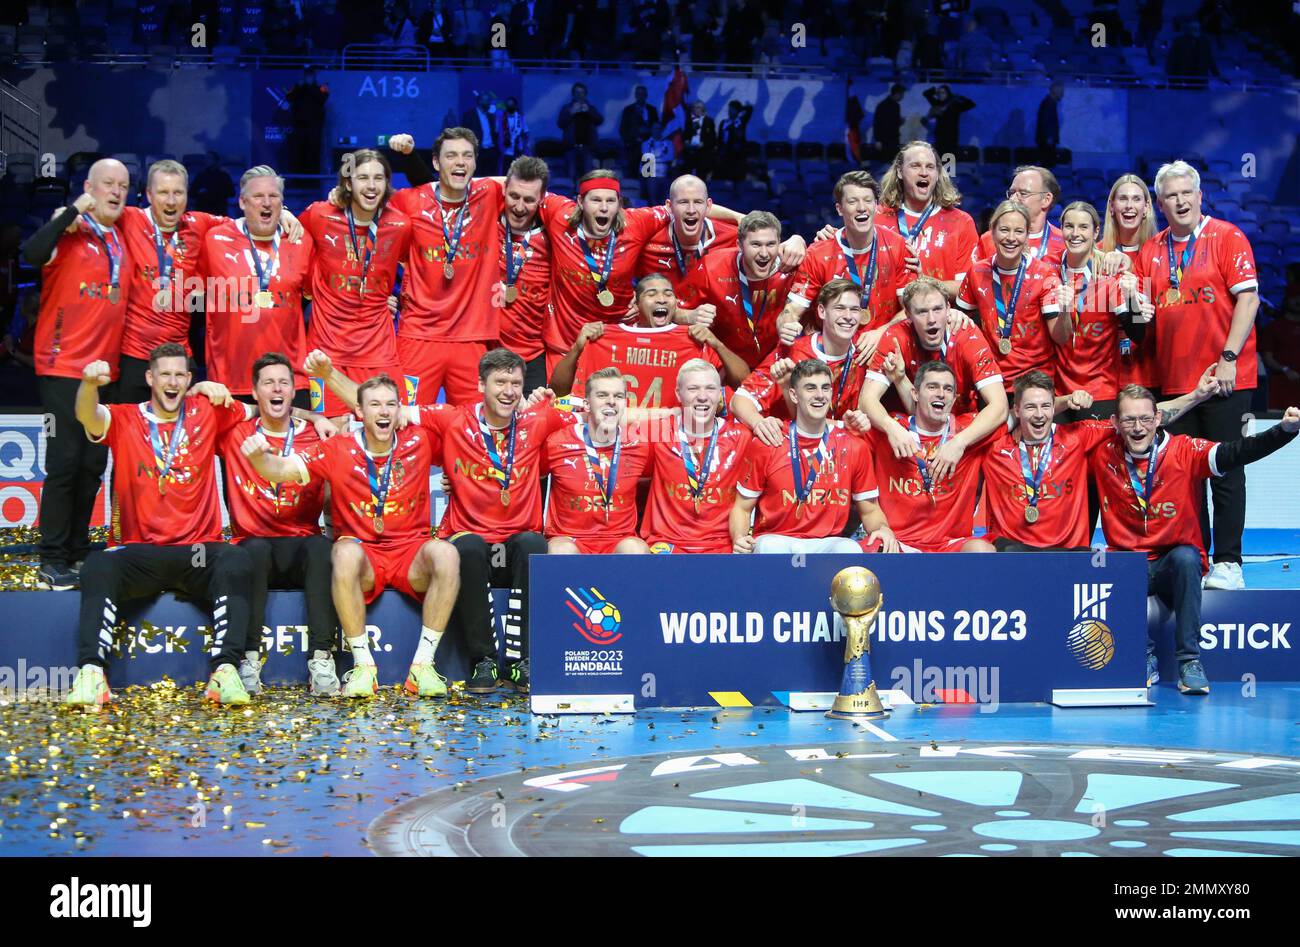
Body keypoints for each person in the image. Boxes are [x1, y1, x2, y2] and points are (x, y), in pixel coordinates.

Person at [314, 347, 570, 694]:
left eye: (515, 383)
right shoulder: (451, 419)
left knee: (533, 544)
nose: (508, 390)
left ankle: (520, 661)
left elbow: (600, 412)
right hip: (469, 536)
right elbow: (380, 407)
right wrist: (329, 375)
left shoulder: (536, 419)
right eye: (500, 382)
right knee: (468, 548)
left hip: (516, 537)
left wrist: (552, 398)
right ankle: (484, 660)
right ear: (481, 384)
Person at [245, 371, 461, 699]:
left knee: (446, 553)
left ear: (400, 410)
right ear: (359, 413)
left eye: (391, 404)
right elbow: (280, 470)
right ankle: (362, 667)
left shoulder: (420, 440)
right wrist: (260, 458)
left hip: (409, 552)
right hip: (364, 556)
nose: (384, 411)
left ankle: (422, 667)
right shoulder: (338, 448)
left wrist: (418, 416)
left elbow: (467, 428)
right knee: (343, 552)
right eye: (374, 404)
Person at [65, 344, 255, 707]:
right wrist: (89, 384)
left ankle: (225, 672)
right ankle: (91, 674)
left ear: (188, 380)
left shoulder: (207, 411)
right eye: (164, 374)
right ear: (150, 378)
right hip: (141, 553)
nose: (172, 382)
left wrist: (314, 418)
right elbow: (86, 415)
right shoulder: (125, 418)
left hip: (196, 552)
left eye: (180, 375)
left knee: (236, 560)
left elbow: (265, 410)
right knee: (99, 564)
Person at [1090, 385, 1299, 693]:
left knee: (1187, 557)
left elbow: (1237, 451)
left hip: (1171, 563)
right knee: (1108, 564)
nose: (1138, 428)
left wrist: (1283, 431)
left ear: (1159, 418)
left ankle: (1189, 661)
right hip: (1129, 563)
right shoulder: (1100, 453)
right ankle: (1143, 656)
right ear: (1115, 422)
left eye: (1146, 419)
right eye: (1130, 420)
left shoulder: (1185, 451)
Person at [1131, 160, 1260, 590]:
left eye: (1187, 192)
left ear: (1200, 196)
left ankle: (1228, 561)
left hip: (1226, 379)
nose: (1181, 200)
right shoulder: (1151, 250)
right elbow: (1139, 316)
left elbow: (1249, 301)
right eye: (1171, 195)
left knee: (1225, 469)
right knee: (1183, 476)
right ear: (1160, 203)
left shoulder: (1228, 237)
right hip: (1174, 384)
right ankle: (1198, 557)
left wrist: (1228, 357)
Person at [22, 158, 132, 590]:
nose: (116, 191)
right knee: (64, 464)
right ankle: (51, 557)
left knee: (91, 467)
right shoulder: (67, 232)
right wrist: (71, 210)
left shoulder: (121, 236)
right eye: (107, 183)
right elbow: (30, 254)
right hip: (63, 366)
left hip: (105, 373)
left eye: (123, 185)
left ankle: (76, 552)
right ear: (89, 187)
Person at [983, 368, 1219, 552]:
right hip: (1013, 553)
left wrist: (1195, 396)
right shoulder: (993, 448)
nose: (1039, 414)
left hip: (1069, 554)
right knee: (981, 549)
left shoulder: (1078, 437)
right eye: (1030, 407)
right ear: (1016, 410)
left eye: (1046, 406)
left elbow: (1140, 417)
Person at [218, 352, 337, 696]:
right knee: (251, 549)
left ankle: (321, 659)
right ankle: (249, 659)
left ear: (294, 390)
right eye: (268, 382)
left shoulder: (317, 436)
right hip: (254, 545)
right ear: (254, 393)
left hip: (301, 543)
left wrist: (314, 417)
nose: (277, 388)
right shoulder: (234, 434)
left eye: (284, 382)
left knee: (322, 547)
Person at [386, 128, 505, 405]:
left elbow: (529, 183)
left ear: (476, 163)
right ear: (437, 163)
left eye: (467, 156)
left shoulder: (489, 193)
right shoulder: (408, 200)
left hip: (472, 337)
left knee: (472, 427)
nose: (460, 162)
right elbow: (363, 214)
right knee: (407, 422)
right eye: (451, 156)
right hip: (419, 335)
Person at [733, 359, 897, 555]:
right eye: (810, 388)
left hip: (827, 542)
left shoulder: (854, 446)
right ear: (794, 395)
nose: (819, 395)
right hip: (776, 539)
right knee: (768, 547)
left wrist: (883, 529)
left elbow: (870, 510)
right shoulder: (770, 441)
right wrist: (739, 539)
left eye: (825, 388)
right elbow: (742, 508)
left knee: (849, 549)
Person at [533, 169, 678, 376]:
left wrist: (739, 217)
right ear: (580, 202)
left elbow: (685, 206)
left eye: (610, 201)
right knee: (561, 407)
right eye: (596, 200)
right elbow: (517, 184)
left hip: (616, 346)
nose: (603, 208)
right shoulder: (559, 215)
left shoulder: (636, 223)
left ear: (619, 204)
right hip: (564, 345)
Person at [301, 149, 410, 415]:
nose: (371, 186)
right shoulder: (320, 216)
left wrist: (395, 298)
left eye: (379, 178)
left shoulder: (399, 225)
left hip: (378, 348)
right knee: (333, 434)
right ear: (348, 183)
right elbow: (290, 233)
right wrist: (283, 215)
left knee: (390, 423)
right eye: (363, 178)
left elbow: (413, 268)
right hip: (328, 351)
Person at [197, 165, 314, 406]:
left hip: (288, 379)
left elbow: (320, 296)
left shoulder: (300, 240)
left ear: (282, 202)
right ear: (242, 202)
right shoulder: (214, 239)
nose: (267, 203)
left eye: (273, 196)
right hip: (229, 380)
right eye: (258, 196)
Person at [854, 360, 996, 553]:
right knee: (874, 547)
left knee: (983, 550)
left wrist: (959, 442)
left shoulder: (970, 431)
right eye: (932, 387)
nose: (941, 393)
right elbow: (845, 427)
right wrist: (863, 425)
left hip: (950, 545)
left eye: (947, 389)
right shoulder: (890, 430)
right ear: (915, 394)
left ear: (954, 399)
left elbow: (1009, 414)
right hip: (898, 543)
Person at [551, 272, 749, 407]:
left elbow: (744, 384)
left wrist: (718, 344)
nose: (661, 299)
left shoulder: (693, 339)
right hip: (616, 434)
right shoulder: (602, 337)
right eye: (651, 294)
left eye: (668, 294)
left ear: (675, 303)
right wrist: (577, 348)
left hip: (670, 438)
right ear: (636, 304)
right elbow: (559, 390)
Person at [116, 160, 224, 404]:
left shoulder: (198, 224)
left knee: (184, 436)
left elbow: (244, 225)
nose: (171, 201)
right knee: (132, 436)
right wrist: (70, 214)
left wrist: (283, 215)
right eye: (164, 193)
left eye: (178, 192)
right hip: (134, 356)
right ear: (149, 195)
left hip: (179, 356)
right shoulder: (129, 219)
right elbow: (98, 211)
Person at [861, 275, 1007, 432]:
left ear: (948, 309)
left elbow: (1000, 406)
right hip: (911, 431)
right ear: (908, 315)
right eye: (922, 312)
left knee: (997, 431)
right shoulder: (896, 337)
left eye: (937, 309)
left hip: (958, 426)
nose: (931, 319)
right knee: (866, 428)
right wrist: (893, 430)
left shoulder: (967, 334)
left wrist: (959, 443)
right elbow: (866, 401)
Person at [779, 171, 909, 348]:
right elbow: (791, 310)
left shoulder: (897, 245)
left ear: (876, 205)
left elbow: (911, 309)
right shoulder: (818, 253)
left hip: (882, 347)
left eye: (868, 200)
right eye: (852, 201)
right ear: (839, 209)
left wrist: (882, 333)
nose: (862, 207)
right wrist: (787, 325)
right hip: (834, 351)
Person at [734, 278, 873, 440]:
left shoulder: (865, 351)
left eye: (854, 309)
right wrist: (758, 422)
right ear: (822, 311)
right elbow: (740, 400)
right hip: (791, 444)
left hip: (842, 447)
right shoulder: (794, 351)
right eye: (840, 308)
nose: (848, 316)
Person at [955, 199, 1069, 395]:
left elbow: (1060, 338)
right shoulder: (977, 272)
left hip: (1035, 382)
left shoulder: (1044, 274)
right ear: (992, 231)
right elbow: (961, 327)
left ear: (1027, 235)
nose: (1011, 238)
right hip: (990, 380)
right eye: (1004, 230)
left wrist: (1065, 310)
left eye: (1019, 231)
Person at [641, 358, 753, 554]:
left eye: (710, 388)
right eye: (693, 389)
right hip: (666, 545)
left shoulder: (742, 437)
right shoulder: (658, 432)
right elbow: (611, 423)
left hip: (722, 546)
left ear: (720, 394)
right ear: (678, 393)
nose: (702, 396)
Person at [543, 367, 651, 554]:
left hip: (619, 540)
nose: (611, 401)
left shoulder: (639, 445)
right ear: (586, 404)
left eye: (618, 396)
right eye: (602, 395)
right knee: (561, 551)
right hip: (570, 539)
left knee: (636, 549)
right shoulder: (556, 442)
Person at [681, 210, 797, 369]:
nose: (764, 253)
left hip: (779, 365)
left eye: (770, 244)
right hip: (724, 365)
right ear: (739, 245)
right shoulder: (711, 267)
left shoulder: (792, 269)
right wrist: (690, 316)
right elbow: (675, 311)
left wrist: (799, 239)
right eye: (755, 244)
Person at [876, 141, 979, 300]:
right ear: (900, 172)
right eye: (915, 166)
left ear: (937, 174)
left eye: (930, 167)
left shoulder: (961, 222)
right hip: (887, 320)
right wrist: (828, 236)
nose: (924, 172)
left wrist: (924, 282)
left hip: (938, 319)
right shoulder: (877, 218)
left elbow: (967, 286)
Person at [636, 174, 739, 305]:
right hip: (665, 321)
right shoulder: (648, 244)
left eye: (698, 202)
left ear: (708, 206)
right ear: (669, 206)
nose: (691, 210)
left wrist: (740, 217)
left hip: (715, 321)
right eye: (683, 202)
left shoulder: (733, 238)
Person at [1100, 173, 1158, 392]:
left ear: (1147, 207)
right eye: (1122, 199)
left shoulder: (1162, 252)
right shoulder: (1096, 253)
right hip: (1105, 371)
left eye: (1136, 199)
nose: (1129, 206)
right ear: (1112, 206)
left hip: (1149, 367)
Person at [977, 166, 1065, 266]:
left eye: (1023, 193)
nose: (1013, 199)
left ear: (1046, 199)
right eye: (1012, 193)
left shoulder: (1064, 243)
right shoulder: (989, 239)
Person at [286, 66, 329, 174]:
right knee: (298, 152)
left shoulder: (320, 87)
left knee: (313, 152)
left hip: (315, 127)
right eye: (307, 75)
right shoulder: (298, 87)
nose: (308, 78)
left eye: (311, 75)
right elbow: (289, 97)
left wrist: (310, 87)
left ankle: (313, 179)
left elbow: (324, 97)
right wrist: (300, 87)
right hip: (299, 126)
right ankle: (297, 178)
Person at [557, 83, 604, 181]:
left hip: (588, 147)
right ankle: (570, 195)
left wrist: (589, 111)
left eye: (582, 93)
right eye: (577, 92)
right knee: (571, 175)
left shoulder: (590, 108)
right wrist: (571, 112)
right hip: (571, 147)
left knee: (588, 176)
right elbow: (560, 123)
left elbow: (599, 120)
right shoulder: (567, 108)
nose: (579, 95)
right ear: (573, 94)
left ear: (585, 94)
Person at [922, 85, 975, 159]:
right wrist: (934, 90)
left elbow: (971, 104)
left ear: (948, 94)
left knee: (949, 162)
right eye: (939, 93)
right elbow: (926, 94)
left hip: (951, 137)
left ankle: (949, 170)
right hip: (939, 136)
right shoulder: (937, 103)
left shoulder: (955, 105)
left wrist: (960, 97)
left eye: (943, 92)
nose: (940, 94)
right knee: (939, 160)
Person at [619, 85, 659, 181]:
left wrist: (650, 134)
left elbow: (657, 127)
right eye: (638, 94)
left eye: (642, 94)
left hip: (648, 145)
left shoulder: (652, 110)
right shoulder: (628, 110)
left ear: (646, 95)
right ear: (635, 95)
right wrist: (628, 141)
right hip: (633, 145)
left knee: (648, 172)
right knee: (632, 172)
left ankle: (647, 192)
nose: (640, 96)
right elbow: (623, 128)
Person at [462, 92, 501, 176]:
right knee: (477, 176)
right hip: (477, 151)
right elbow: (464, 133)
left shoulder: (491, 116)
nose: (488, 103)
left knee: (491, 176)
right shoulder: (470, 115)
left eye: (489, 101)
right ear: (479, 101)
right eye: (486, 100)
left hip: (491, 151)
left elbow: (495, 134)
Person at [715, 101, 753, 183]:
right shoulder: (724, 123)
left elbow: (749, 109)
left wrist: (741, 109)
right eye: (729, 109)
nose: (729, 111)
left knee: (737, 177)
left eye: (732, 109)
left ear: (737, 111)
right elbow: (719, 139)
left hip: (737, 155)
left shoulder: (741, 122)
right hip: (724, 154)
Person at [189, 152, 235, 217]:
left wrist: (213, 192)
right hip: (203, 209)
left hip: (219, 209)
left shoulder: (224, 176)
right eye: (206, 158)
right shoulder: (201, 176)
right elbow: (192, 193)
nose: (207, 160)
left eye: (209, 158)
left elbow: (232, 193)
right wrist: (200, 192)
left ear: (216, 161)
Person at [680, 101, 717, 180]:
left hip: (703, 153)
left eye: (698, 107)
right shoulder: (689, 121)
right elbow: (685, 135)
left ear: (703, 109)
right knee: (687, 177)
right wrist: (686, 142)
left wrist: (703, 144)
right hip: (690, 152)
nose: (696, 109)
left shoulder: (709, 121)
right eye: (694, 107)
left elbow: (712, 139)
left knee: (701, 177)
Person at [498, 96, 532, 167]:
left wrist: (526, 145)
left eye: (512, 104)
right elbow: (497, 133)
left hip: (518, 150)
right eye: (508, 104)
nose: (510, 106)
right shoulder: (501, 118)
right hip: (506, 151)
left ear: (515, 105)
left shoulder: (521, 117)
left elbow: (526, 132)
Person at [872, 84, 905, 158]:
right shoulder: (884, 106)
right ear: (897, 94)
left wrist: (899, 121)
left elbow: (892, 122)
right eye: (902, 94)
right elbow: (877, 123)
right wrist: (878, 140)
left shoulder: (894, 106)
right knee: (887, 161)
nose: (903, 97)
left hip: (892, 139)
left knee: (891, 161)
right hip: (886, 140)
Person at [1035, 81, 1065, 152]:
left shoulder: (1049, 102)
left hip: (1047, 140)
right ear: (1055, 91)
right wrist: (1049, 138)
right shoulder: (1049, 103)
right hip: (1047, 141)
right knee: (1048, 161)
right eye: (1061, 91)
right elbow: (1046, 122)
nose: (1062, 94)